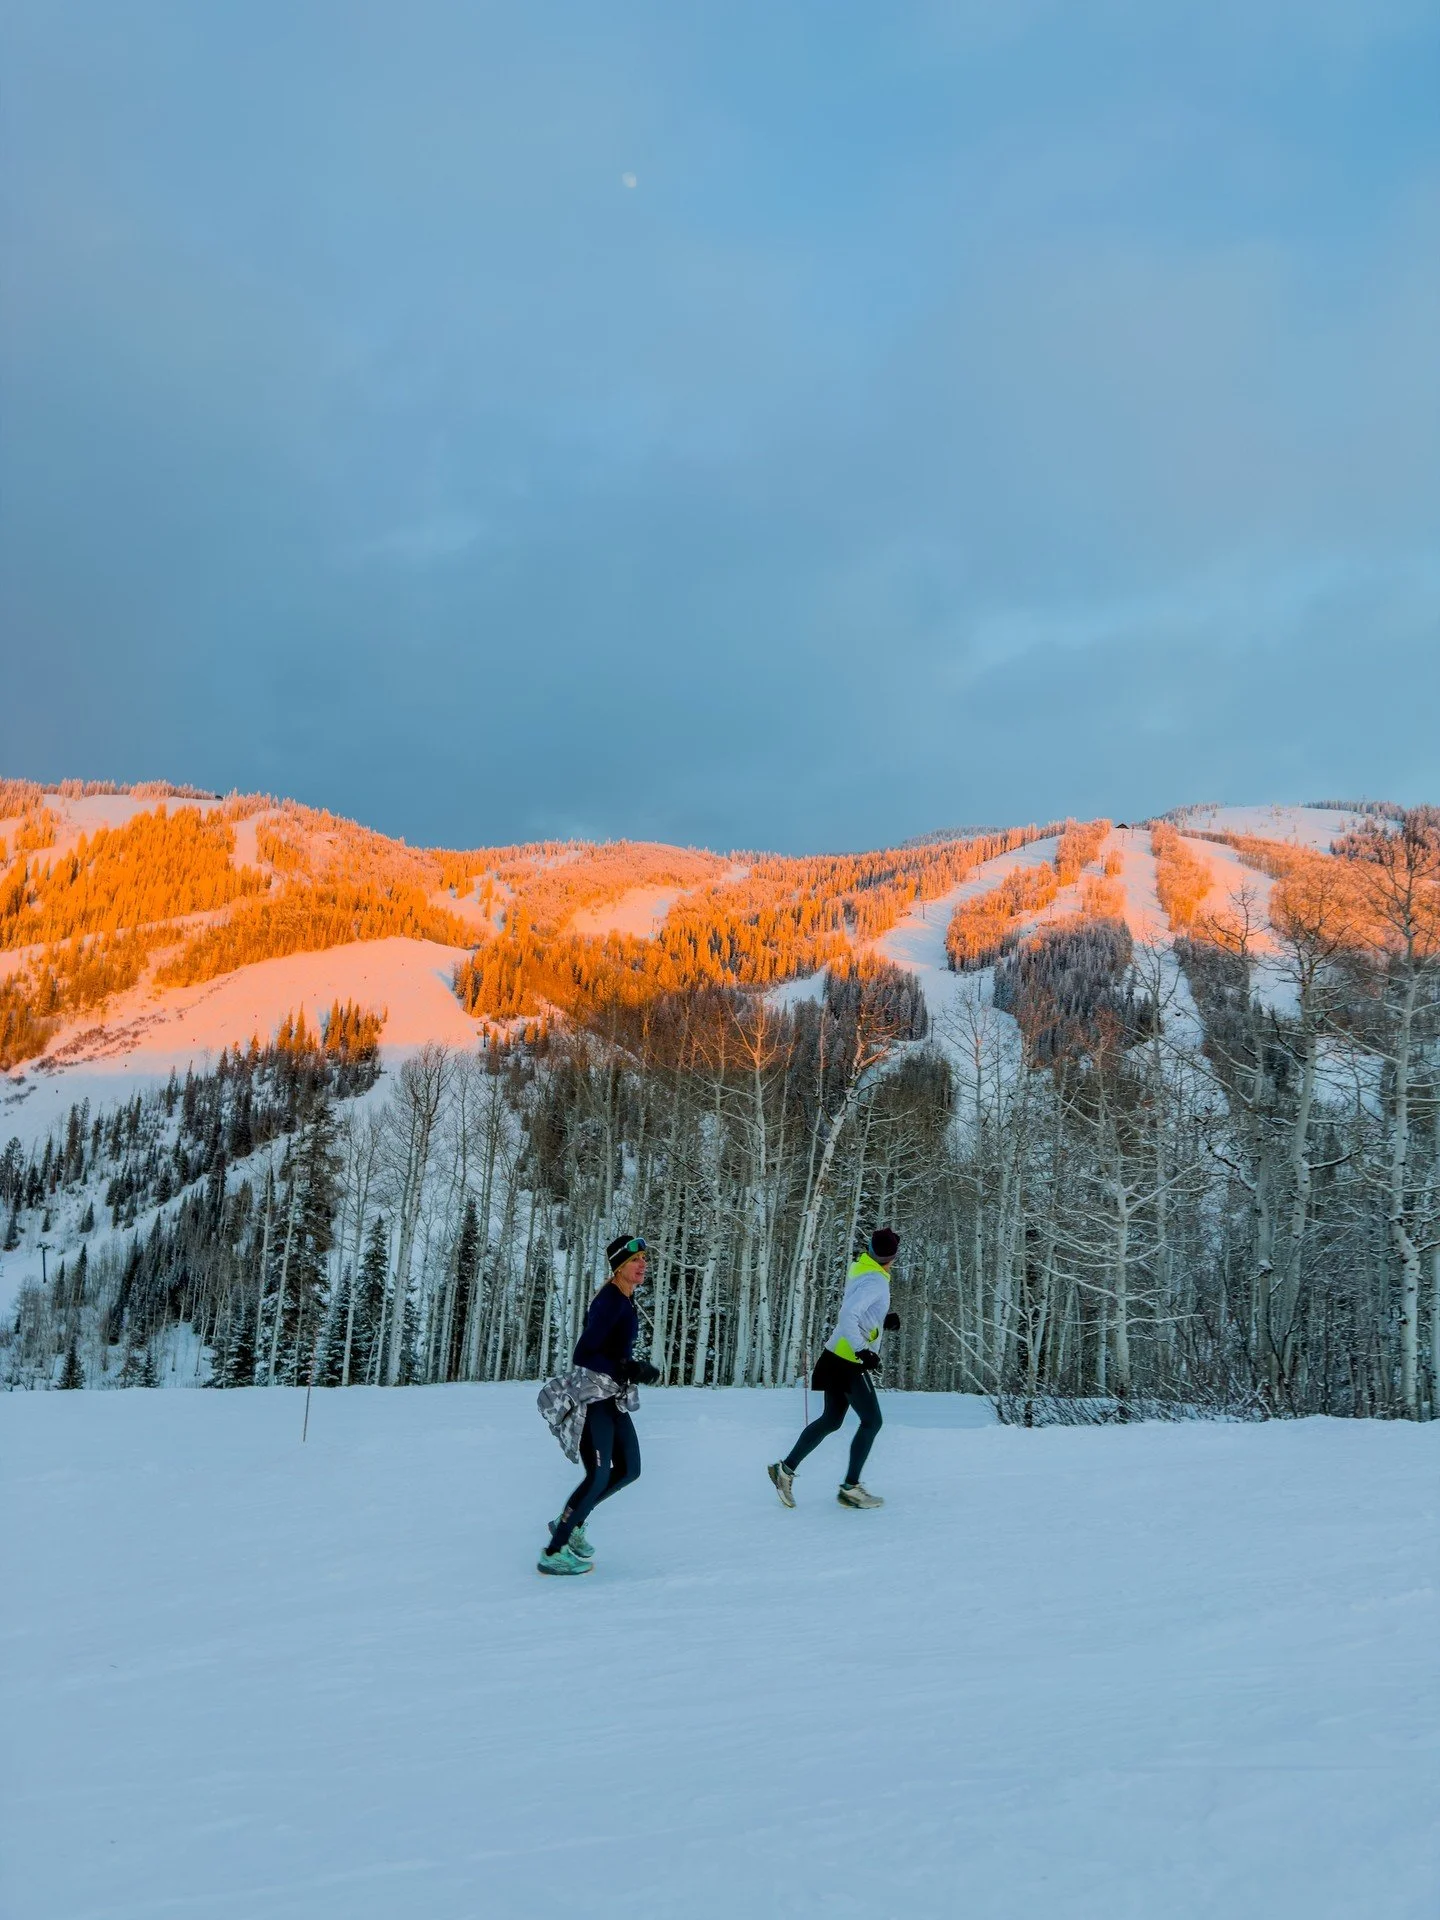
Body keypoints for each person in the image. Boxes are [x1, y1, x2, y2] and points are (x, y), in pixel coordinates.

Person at [537, 1234, 660, 1575]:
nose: (643, 1265)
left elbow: (612, 1349)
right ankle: (554, 1550)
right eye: (636, 1261)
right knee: (598, 1474)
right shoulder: (609, 1301)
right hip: (594, 1397)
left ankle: (573, 1521)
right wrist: (626, 1367)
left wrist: (629, 1367)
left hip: (613, 1396)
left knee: (630, 1469)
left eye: (644, 1260)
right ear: (619, 1267)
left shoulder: (625, 1299)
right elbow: (584, 1353)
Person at [768, 1227, 901, 1510]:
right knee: (872, 1421)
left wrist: (881, 1319)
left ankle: (785, 1470)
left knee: (831, 1420)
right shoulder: (876, 1280)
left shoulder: (862, 1268)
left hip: (834, 1355)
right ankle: (851, 1488)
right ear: (892, 1256)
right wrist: (862, 1350)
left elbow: (856, 1306)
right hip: (848, 1361)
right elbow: (848, 1313)